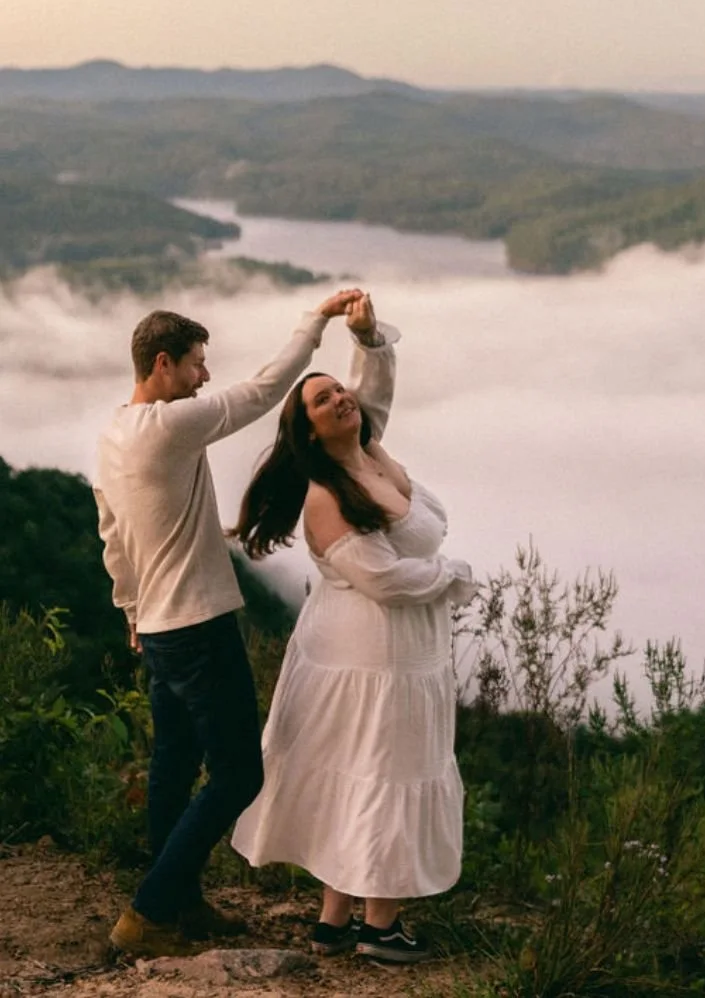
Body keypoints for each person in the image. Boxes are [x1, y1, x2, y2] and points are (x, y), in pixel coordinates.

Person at [95, 287, 371, 958]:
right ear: (163, 364)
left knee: (174, 763)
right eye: (196, 362)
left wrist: (131, 610)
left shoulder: (112, 435)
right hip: (199, 625)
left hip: (159, 627)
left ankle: (180, 903)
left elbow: (113, 537)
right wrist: (317, 321)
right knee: (239, 774)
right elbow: (265, 390)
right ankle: (148, 912)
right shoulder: (170, 425)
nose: (204, 375)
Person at [230, 294, 476, 965]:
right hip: (370, 654)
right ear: (309, 433)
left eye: (339, 389)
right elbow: (384, 579)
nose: (340, 398)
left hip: (394, 650)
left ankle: (334, 922)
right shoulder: (326, 496)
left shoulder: (369, 451)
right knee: (384, 772)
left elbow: (373, 395)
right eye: (322, 400)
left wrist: (365, 337)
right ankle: (381, 927)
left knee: (365, 772)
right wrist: (453, 574)